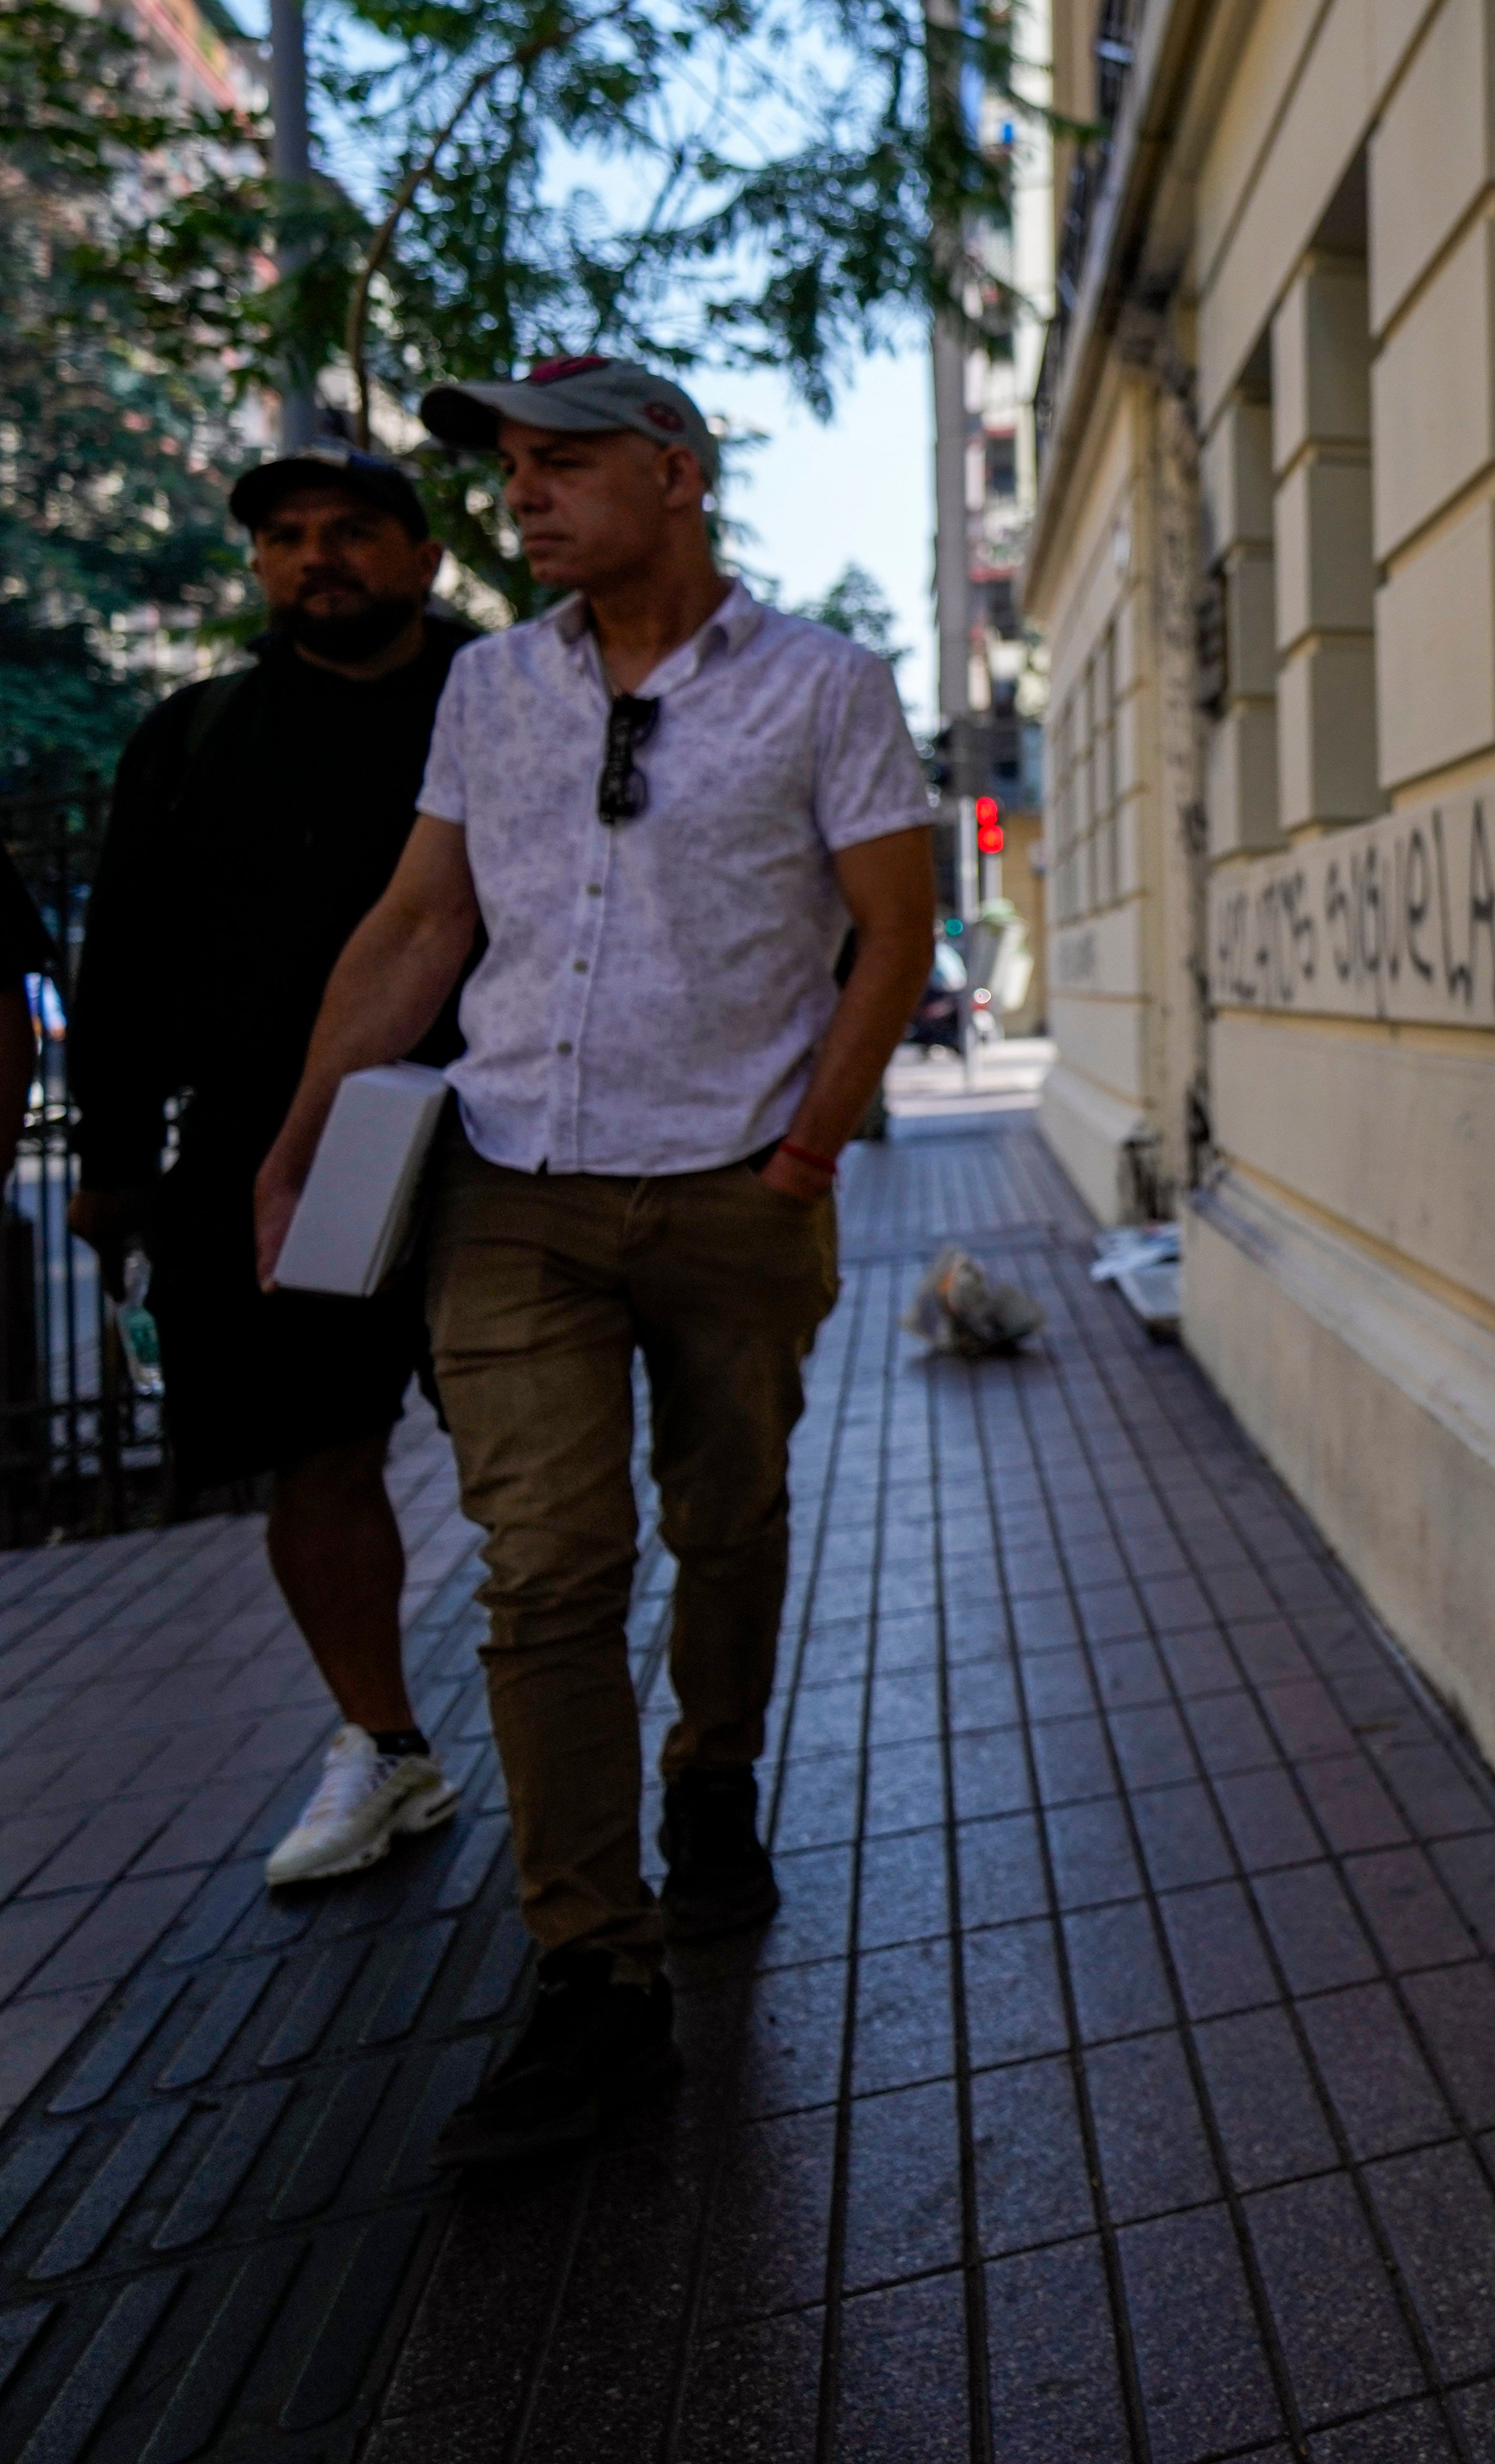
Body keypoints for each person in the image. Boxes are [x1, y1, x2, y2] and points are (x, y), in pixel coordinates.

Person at [258, 355, 935, 2171]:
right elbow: (423, 920)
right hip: (514, 1191)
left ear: (679, 474)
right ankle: (595, 1977)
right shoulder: (491, 686)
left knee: (730, 1513)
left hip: (734, 1189)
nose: (523, 499)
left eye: (563, 466)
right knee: (546, 1571)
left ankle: (713, 1766)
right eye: (511, 472)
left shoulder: (823, 685)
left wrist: (809, 1147)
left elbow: (894, 931)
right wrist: (310, 1123)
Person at [68, 447, 473, 1885]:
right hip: (266, 1149)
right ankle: (384, 1743)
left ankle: (581, 1730)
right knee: (316, 1448)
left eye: (354, 531)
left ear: (423, 556)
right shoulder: (194, 738)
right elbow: (114, 967)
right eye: (287, 538)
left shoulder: (511, 706)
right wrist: (114, 1160)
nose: (319, 560)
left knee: (528, 1443)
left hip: (499, 1127)